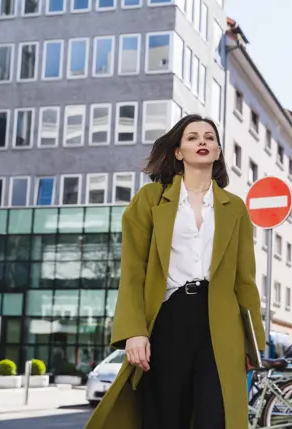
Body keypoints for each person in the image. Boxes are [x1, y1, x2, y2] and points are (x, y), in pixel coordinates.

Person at [84, 114, 266, 429]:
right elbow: (133, 271)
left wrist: (253, 344)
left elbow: (244, 279)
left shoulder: (234, 208)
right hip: (168, 318)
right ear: (178, 152)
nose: (203, 142)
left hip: (221, 323)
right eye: (193, 137)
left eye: (209, 137)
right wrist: (134, 331)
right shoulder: (151, 199)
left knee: (217, 416)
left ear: (219, 152)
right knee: (166, 416)